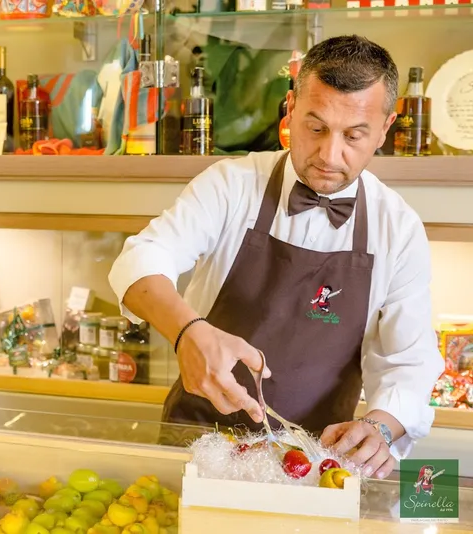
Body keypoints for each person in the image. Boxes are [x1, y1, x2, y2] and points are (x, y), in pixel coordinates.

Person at [108, 35, 444, 480]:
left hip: (314, 464)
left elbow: (409, 362)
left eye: (354, 135)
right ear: (290, 108)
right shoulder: (231, 185)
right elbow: (142, 258)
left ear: (385, 127)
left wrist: (379, 426)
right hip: (198, 447)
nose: (329, 154)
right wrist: (187, 331)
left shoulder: (398, 229)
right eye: (316, 127)